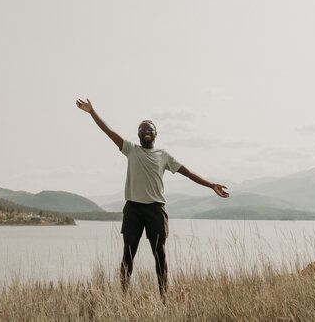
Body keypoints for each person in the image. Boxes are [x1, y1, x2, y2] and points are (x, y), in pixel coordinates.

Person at [75, 98, 229, 299]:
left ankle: (164, 297)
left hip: (156, 209)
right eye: (142, 130)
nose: (146, 132)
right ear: (138, 135)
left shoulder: (164, 155)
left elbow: (188, 173)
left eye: (149, 129)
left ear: (155, 134)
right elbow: (109, 132)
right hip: (133, 209)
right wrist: (92, 112)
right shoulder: (131, 149)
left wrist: (211, 185)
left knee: (160, 255)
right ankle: (124, 297)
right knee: (128, 255)